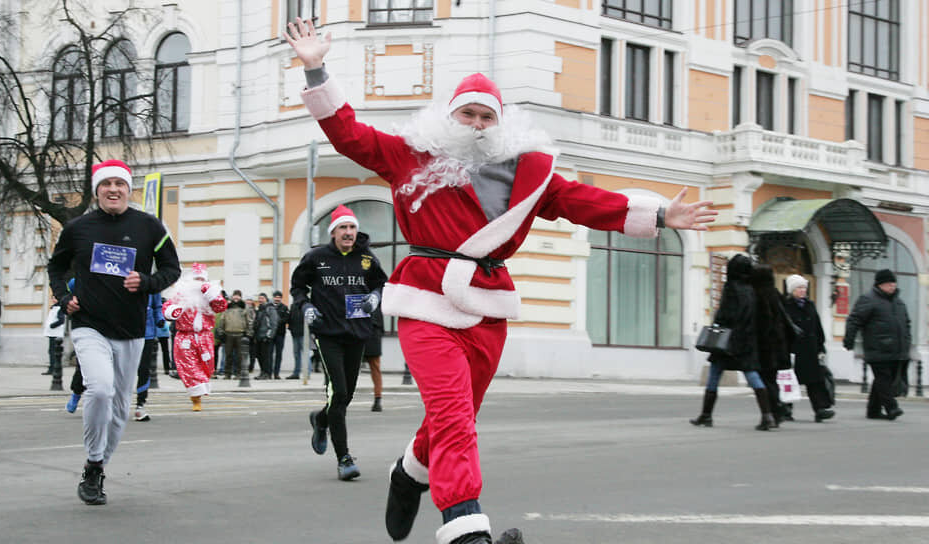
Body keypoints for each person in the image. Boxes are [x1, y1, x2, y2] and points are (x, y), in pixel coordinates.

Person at [285, 18, 716, 544]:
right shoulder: (410, 155)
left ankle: (408, 473)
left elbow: (582, 201)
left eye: (486, 115)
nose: (476, 123)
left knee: (457, 417)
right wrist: (315, 68)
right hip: (426, 299)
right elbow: (347, 132)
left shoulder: (527, 173)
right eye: (466, 112)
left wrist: (658, 215)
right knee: (452, 414)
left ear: (501, 123)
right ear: (449, 116)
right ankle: (466, 530)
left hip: (487, 309)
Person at [47, 159, 180, 506]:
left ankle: (99, 465)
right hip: (89, 323)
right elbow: (56, 266)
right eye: (106, 184)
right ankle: (93, 465)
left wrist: (147, 282)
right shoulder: (78, 229)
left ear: (128, 189)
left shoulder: (149, 226)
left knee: (121, 407)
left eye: (119, 184)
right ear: (97, 191)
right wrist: (64, 298)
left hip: (132, 328)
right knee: (101, 389)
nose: (113, 190)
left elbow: (171, 268)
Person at [291, 204, 388, 481]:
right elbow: (298, 287)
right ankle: (344, 458)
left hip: (357, 332)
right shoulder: (316, 257)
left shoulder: (367, 258)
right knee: (339, 392)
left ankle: (321, 420)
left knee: (345, 396)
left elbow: (381, 283)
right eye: (343, 228)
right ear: (333, 232)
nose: (348, 233)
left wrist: (375, 298)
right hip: (328, 333)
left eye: (352, 228)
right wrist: (306, 307)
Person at [689, 254, 773, 431]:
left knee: (714, 374)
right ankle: (767, 415)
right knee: (752, 374)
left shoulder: (731, 287)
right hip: (746, 339)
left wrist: (717, 322)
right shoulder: (751, 289)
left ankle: (706, 415)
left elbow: (726, 314)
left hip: (727, 340)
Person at [843, 269, 910, 421]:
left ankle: (873, 410)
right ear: (880, 285)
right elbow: (854, 320)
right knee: (883, 378)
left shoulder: (899, 302)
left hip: (896, 349)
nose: (892, 286)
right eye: (888, 283)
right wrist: (849, 339)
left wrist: (906, 341)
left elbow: (906, 324)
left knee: (882, 380)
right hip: (877, 348)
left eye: (893, 283)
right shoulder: (868, 299)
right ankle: (891, 407)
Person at [163, 263, 228, 411]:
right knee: (189, 366)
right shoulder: (181, 294)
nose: (199, 282)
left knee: (207, 366)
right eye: (196, 279)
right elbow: (168, 307)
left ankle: (200, 389)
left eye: (201, 279)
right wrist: (173, 311)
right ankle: (196, 398)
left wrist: (211, 294)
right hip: (185, 337)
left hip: (205, 336)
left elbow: (221, 307)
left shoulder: (210, 295)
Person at [750, 265, 800, 428]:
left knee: (765, 380)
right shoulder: (776, 294)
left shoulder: (758, 295)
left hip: (764, 345)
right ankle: (776, 412)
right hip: (779, 345)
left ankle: (773, 413)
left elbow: (762, 322)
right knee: (772, 379)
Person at [783, 274, 834, 422]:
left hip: (810, 350)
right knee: (789, 382)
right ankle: (785, 409)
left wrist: (821, 347)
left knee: (815, 382)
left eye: (804, 287)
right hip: (793, 350)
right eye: (799, 287)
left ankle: (820, 409)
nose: (802, 290)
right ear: (792, 290)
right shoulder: (786, 306)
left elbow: (817, 327)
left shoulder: (810, 305)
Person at [134, 293, 164, 422]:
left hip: (147, 333)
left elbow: (157, 306)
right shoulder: (122, 277)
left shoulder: (152, 284)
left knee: (144, 369)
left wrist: (160, 319)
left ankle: (140, 405)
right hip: (125, 332)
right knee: (121, 370)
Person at [252, 293, 279, 380]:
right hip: (259, 336)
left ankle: (267, 373)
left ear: (266, 299)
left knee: (266, 356)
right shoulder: (259, 309)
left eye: (262, 298)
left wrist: (269, 335)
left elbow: (274, 323)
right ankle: (262, 372)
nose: (260, 300)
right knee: (259, 356)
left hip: (266, 336)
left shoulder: (270, 309)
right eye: (259, 298)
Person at [364, 305, 385, 412]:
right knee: (375, 368)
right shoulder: (377, 293)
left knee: (348, 366)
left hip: (359, 329)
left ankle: (343, 398)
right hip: (374, 331)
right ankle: (378, 399)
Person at [44, 295, 66, 376]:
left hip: (55, 333)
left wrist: (52, 325)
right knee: (51, 351)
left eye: (55, 298)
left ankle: (54, 368)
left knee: (54, 352)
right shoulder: (53, 308)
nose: (53, 300)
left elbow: (61, 320)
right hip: (51, 333)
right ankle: (51, 367)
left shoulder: (59, 308)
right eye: (52, 298)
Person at [285, 296, 305, 379]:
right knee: (297, 354)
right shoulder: (293, 306)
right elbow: (290, 318)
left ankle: (306, 373)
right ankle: (296, 372)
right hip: (295, 333)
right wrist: (290, 328)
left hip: (303, 333)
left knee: (305, 354)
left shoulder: (305, 306)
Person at [271, 290, 290, 379]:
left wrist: (277, 322)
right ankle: (269, 372)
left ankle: (276, 373)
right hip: (271, 334)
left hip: (280, 334)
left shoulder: (284, 308)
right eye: (276, 297)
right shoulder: (270, 307)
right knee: (269, 354)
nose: (277, 299)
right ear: (273, 297)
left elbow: (286, 319)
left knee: (279, 354)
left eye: (279, 297)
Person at [157, 298, 174, 378]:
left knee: (152, 351)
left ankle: (150, 368)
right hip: (164, 332)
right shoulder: (165, 310)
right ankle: (166, 368)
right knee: (165, 351)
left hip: (156, 332)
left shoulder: (156, 310)